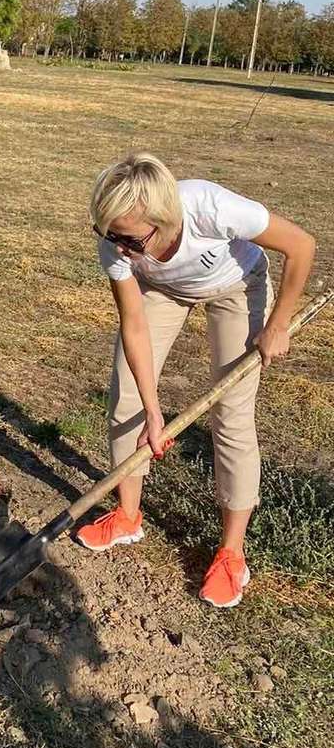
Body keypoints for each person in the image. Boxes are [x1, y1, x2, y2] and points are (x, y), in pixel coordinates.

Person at [79, 153, 316, 608]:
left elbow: (301, 245)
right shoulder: (117, 239)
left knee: (230, 414)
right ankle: (128, 516)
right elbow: (134, 323)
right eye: (110, 236)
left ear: (162, 220)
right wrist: (152, 409)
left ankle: (231, 553)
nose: (118, 248)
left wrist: (278, 324)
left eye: (129, 240)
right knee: (126, 395)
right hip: (163, 290)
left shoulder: (211, 206)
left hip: (236, 285)